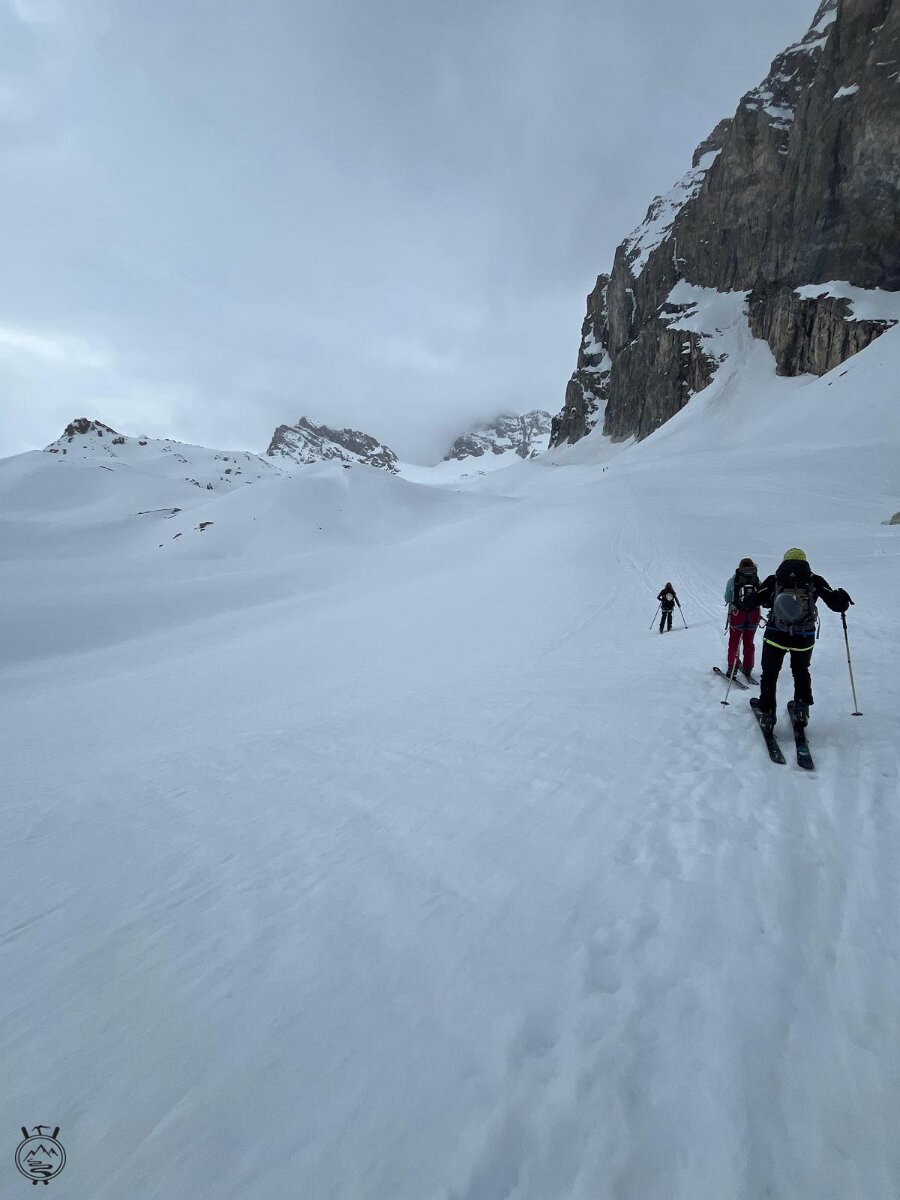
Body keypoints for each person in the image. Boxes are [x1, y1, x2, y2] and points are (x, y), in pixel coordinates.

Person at [742, 549, 852, 729]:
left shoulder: (774, 580)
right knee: (801, 671)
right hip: (804, 636)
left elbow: (751, 602)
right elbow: (836, 605)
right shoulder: (815, 580)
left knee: (770, 674)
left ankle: (767, 713)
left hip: (775, 634)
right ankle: (801, 709)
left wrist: (749, 598)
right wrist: (842, 598)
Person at [724, 557, 760, 680]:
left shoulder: (733, 580)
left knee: (734, 642)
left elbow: (727, 598)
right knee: (749, 642)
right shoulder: (756, 580)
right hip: (753, 615)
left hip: (737, 614)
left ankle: (732, 668)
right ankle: (748, 668)